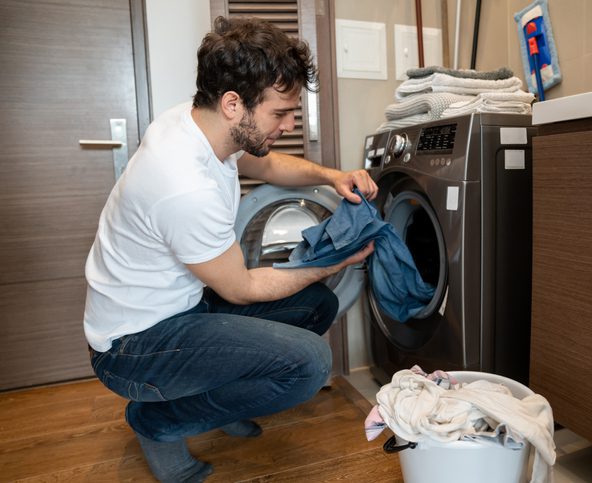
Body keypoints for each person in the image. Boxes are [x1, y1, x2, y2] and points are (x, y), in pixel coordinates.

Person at [83, 16, 377, 482]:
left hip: (181, 306)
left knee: (315, 306)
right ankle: (158, 421)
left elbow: (268, 165)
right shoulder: (182, 183)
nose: (290, 123)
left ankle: (210, 398)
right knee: (309, 364)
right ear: (234, 104)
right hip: (132, 345)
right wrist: (336, 261)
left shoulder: (199, 122)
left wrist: (331, 176)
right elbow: (242, 288)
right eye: (280, 113)